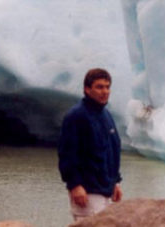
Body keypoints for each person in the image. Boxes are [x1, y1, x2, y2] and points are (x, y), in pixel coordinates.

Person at [58, 68, 123, 221]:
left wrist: (115, 182)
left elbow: (112, 152)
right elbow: (67, 154)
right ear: (87, 89)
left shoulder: (106, 115)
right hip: (87, 191)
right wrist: (74, 185)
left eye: (107, 87)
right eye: (99, 87)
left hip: (106, 189)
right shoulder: (76, 116)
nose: (105, 91)